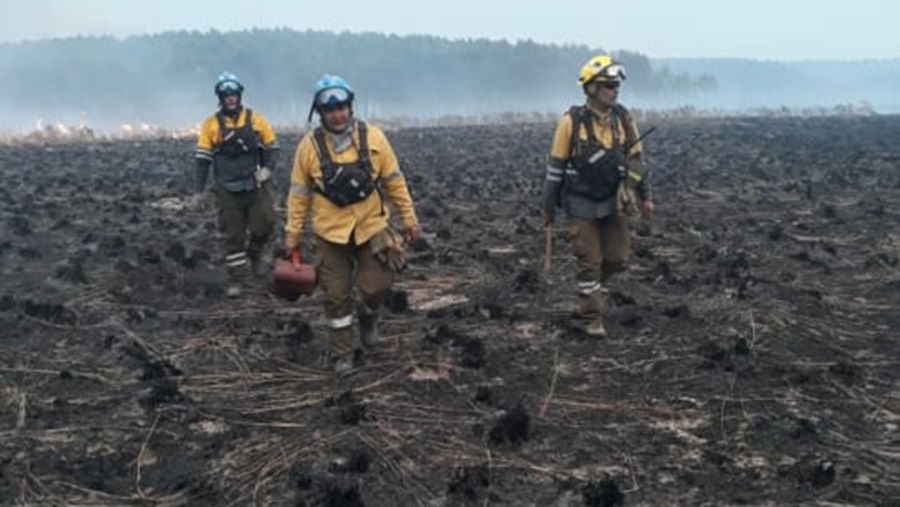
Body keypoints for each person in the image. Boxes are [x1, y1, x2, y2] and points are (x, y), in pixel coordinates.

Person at [284, 74, 420, 375]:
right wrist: (292, 236)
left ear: (350, 106)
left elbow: (394, 181)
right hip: (329, 234)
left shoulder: (374, 138)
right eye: (330, 110)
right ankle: (342, 352)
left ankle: (369, 315)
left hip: (373, 228)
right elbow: (298, 195)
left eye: (342, 107)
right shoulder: (308, 148)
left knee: (378, 287)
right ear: (321, 113)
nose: (337, 114)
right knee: (336, 296)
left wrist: (409, 219)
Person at [542, 54, 655, 337]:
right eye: (608, 85)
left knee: (617, 259)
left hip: (613, 201)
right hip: (580, 203)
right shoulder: (571, 122)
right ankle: (590, 318)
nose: (615, 90)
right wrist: (548, 206)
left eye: (616, 85)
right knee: (588, 261)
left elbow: (637, 160)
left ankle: (591, 296)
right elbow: (555, 167)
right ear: (591, 88)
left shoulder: (624, 119)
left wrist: (645, 196)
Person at [194, 72, 280, 298]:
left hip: (254, 184)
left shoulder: (256, 120)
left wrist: (268, 169)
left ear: (239, 94)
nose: (230, 98)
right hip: (226, 187)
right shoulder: (210, 125)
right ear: (220, 97)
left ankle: (256, 251)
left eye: (233, 94)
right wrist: (198, 190)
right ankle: (236, 279)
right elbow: (202, 159)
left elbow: (273, 147)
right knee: (233, 234)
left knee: (266, 223)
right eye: (225, 94)